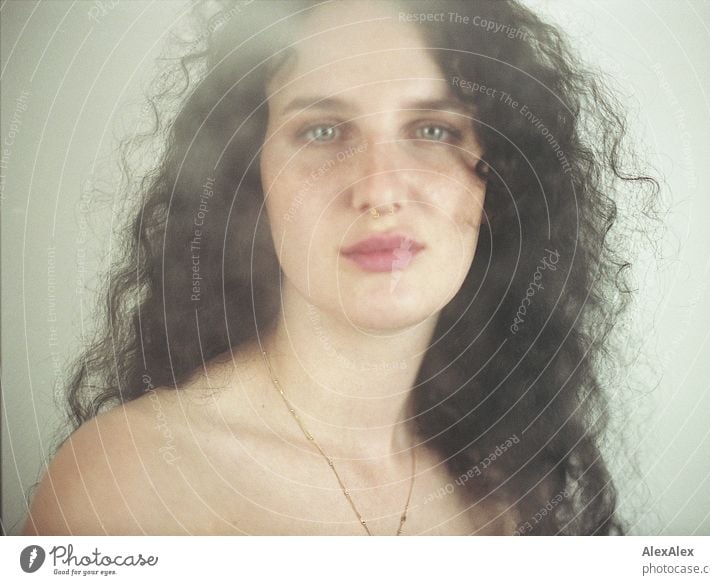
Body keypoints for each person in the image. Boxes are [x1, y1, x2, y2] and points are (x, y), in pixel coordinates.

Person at [23, 0, 655, 536]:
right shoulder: (128, 485)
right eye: (323, 131)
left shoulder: (507, 486)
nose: (379, 191)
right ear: (250, 177)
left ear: (500, 185)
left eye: (433, 130)